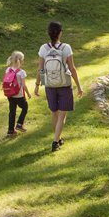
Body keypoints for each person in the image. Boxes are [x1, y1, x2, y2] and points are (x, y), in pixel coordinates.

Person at [34, 21, 83, 152]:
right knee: (62, 115)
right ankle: (55, 141)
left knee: (54, 113)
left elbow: (40, 69)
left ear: (49, 33)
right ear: (60, 32)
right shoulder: (66, 48)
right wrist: (79, 86)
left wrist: (37, 85)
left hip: (50, 85)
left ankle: (58, 138)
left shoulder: (43, 48)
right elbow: (72, 69)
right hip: (65, 84)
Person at [2, 51, 31, 136]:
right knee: (25, 107)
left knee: (12, 111)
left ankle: (10, 131)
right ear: (21, 61)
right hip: (19, 95)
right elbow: (23, 85)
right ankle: (19, 124)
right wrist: (28, 94)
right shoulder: (21, 72)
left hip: (10, 94)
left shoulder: (8, 69)